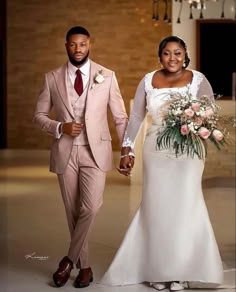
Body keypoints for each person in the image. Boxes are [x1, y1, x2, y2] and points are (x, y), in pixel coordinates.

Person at [99, 36, 224, 290]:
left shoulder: (198, 79)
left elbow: (210, 113)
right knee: (157, 207)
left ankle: (181, 270)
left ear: (185, 55)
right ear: (160, 56)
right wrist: (127, 148)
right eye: (167, 53)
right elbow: (135, 117)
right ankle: (157, 268)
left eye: (178, 53)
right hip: (156, 148)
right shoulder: (148, 80)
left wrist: (195, 122)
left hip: (188, 150)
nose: (173, 58)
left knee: (186, 205)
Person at [33, 26, 128, 288]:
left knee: (91, 207)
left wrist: (127, 148)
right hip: (65, 150)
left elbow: (119, 117)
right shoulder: (52, 77)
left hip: (95, 150)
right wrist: (59, 127)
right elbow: (38, 117)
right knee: (72, 211)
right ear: (66, 45)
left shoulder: (107, 76)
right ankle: (84, 267)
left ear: (89, 45)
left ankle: (68, 261)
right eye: (73, 45)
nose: (78, 49)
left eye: (83, 44)